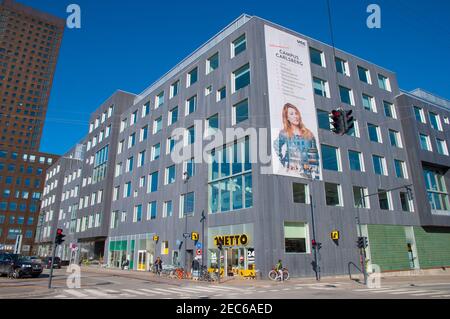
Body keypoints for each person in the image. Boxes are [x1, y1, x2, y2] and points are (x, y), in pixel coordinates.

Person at [274, 103, 320, 179]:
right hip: (291, 173)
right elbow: (276, 147)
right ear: (287, 118)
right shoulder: (284, 133)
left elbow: (315, 157)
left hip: (307, 174)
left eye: (296, 113)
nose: (295, 116)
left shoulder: (309, 134)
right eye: (291, 114)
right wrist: (284, 162)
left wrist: (315, 174)